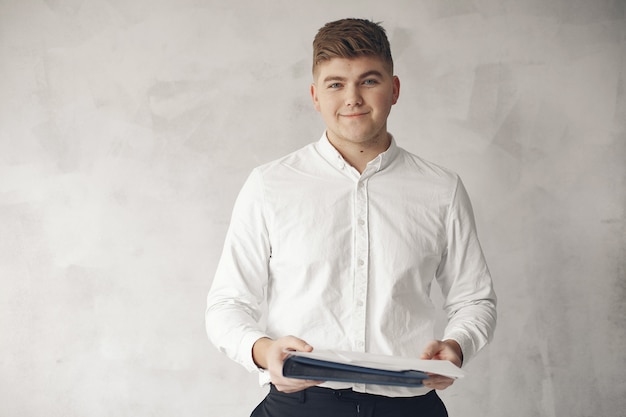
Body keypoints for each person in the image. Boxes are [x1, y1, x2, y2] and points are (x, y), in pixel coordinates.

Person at [206, 17, 497, 417]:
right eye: (336, 84)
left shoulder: (441, 189)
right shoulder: (268, 185)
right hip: (298, 406)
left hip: (409, 406)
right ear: (315, 95)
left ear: (394, 90)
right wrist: (265, 352)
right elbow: (226, 304)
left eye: (369, 80)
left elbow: (474, 299)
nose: (353, 98)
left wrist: (457, 347)